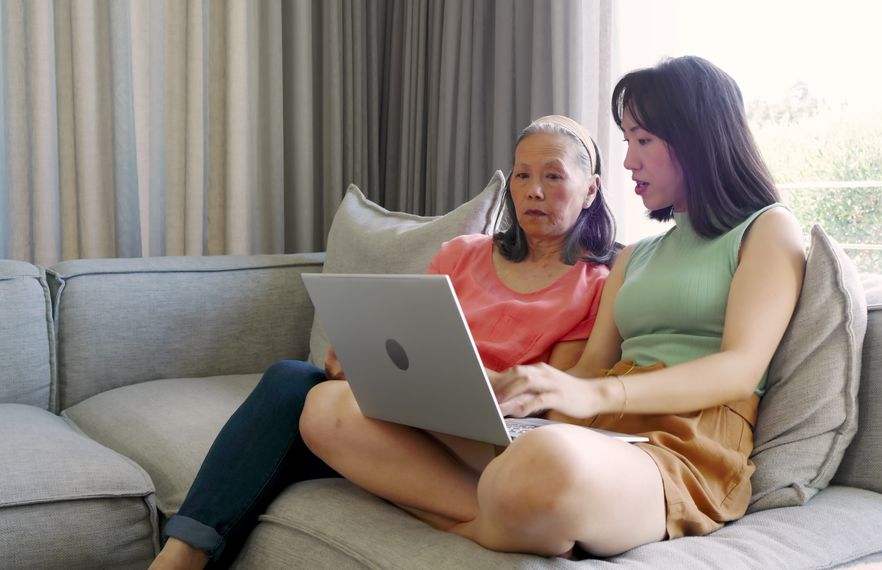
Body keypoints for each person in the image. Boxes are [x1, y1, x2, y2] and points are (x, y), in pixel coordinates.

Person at [299, 55, 806, 558]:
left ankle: (478, 517)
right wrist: (490, 393)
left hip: (686, 442)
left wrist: (599, 396)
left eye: (643, 140)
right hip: (595, 434)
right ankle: (500, 518)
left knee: (541, 464)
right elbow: (588, 370)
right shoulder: (635, 257)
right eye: (627, 140)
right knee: (330, 410)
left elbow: (740, 368)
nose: (629, 158)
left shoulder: (767, 229)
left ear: (697, 137)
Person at [150, 114, 618, 569]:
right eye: (522, 174)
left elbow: (553, 403)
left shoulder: (594, 286)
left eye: (553, 176)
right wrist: (362, 359)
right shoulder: (464, 253)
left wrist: (468, 378)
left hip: (480, 441)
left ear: (591, 189)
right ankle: (180, 554)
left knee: (293, 407)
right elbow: (408, 336)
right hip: (407, 412)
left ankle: (183, 555)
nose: (533, 190)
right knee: (293, 380)